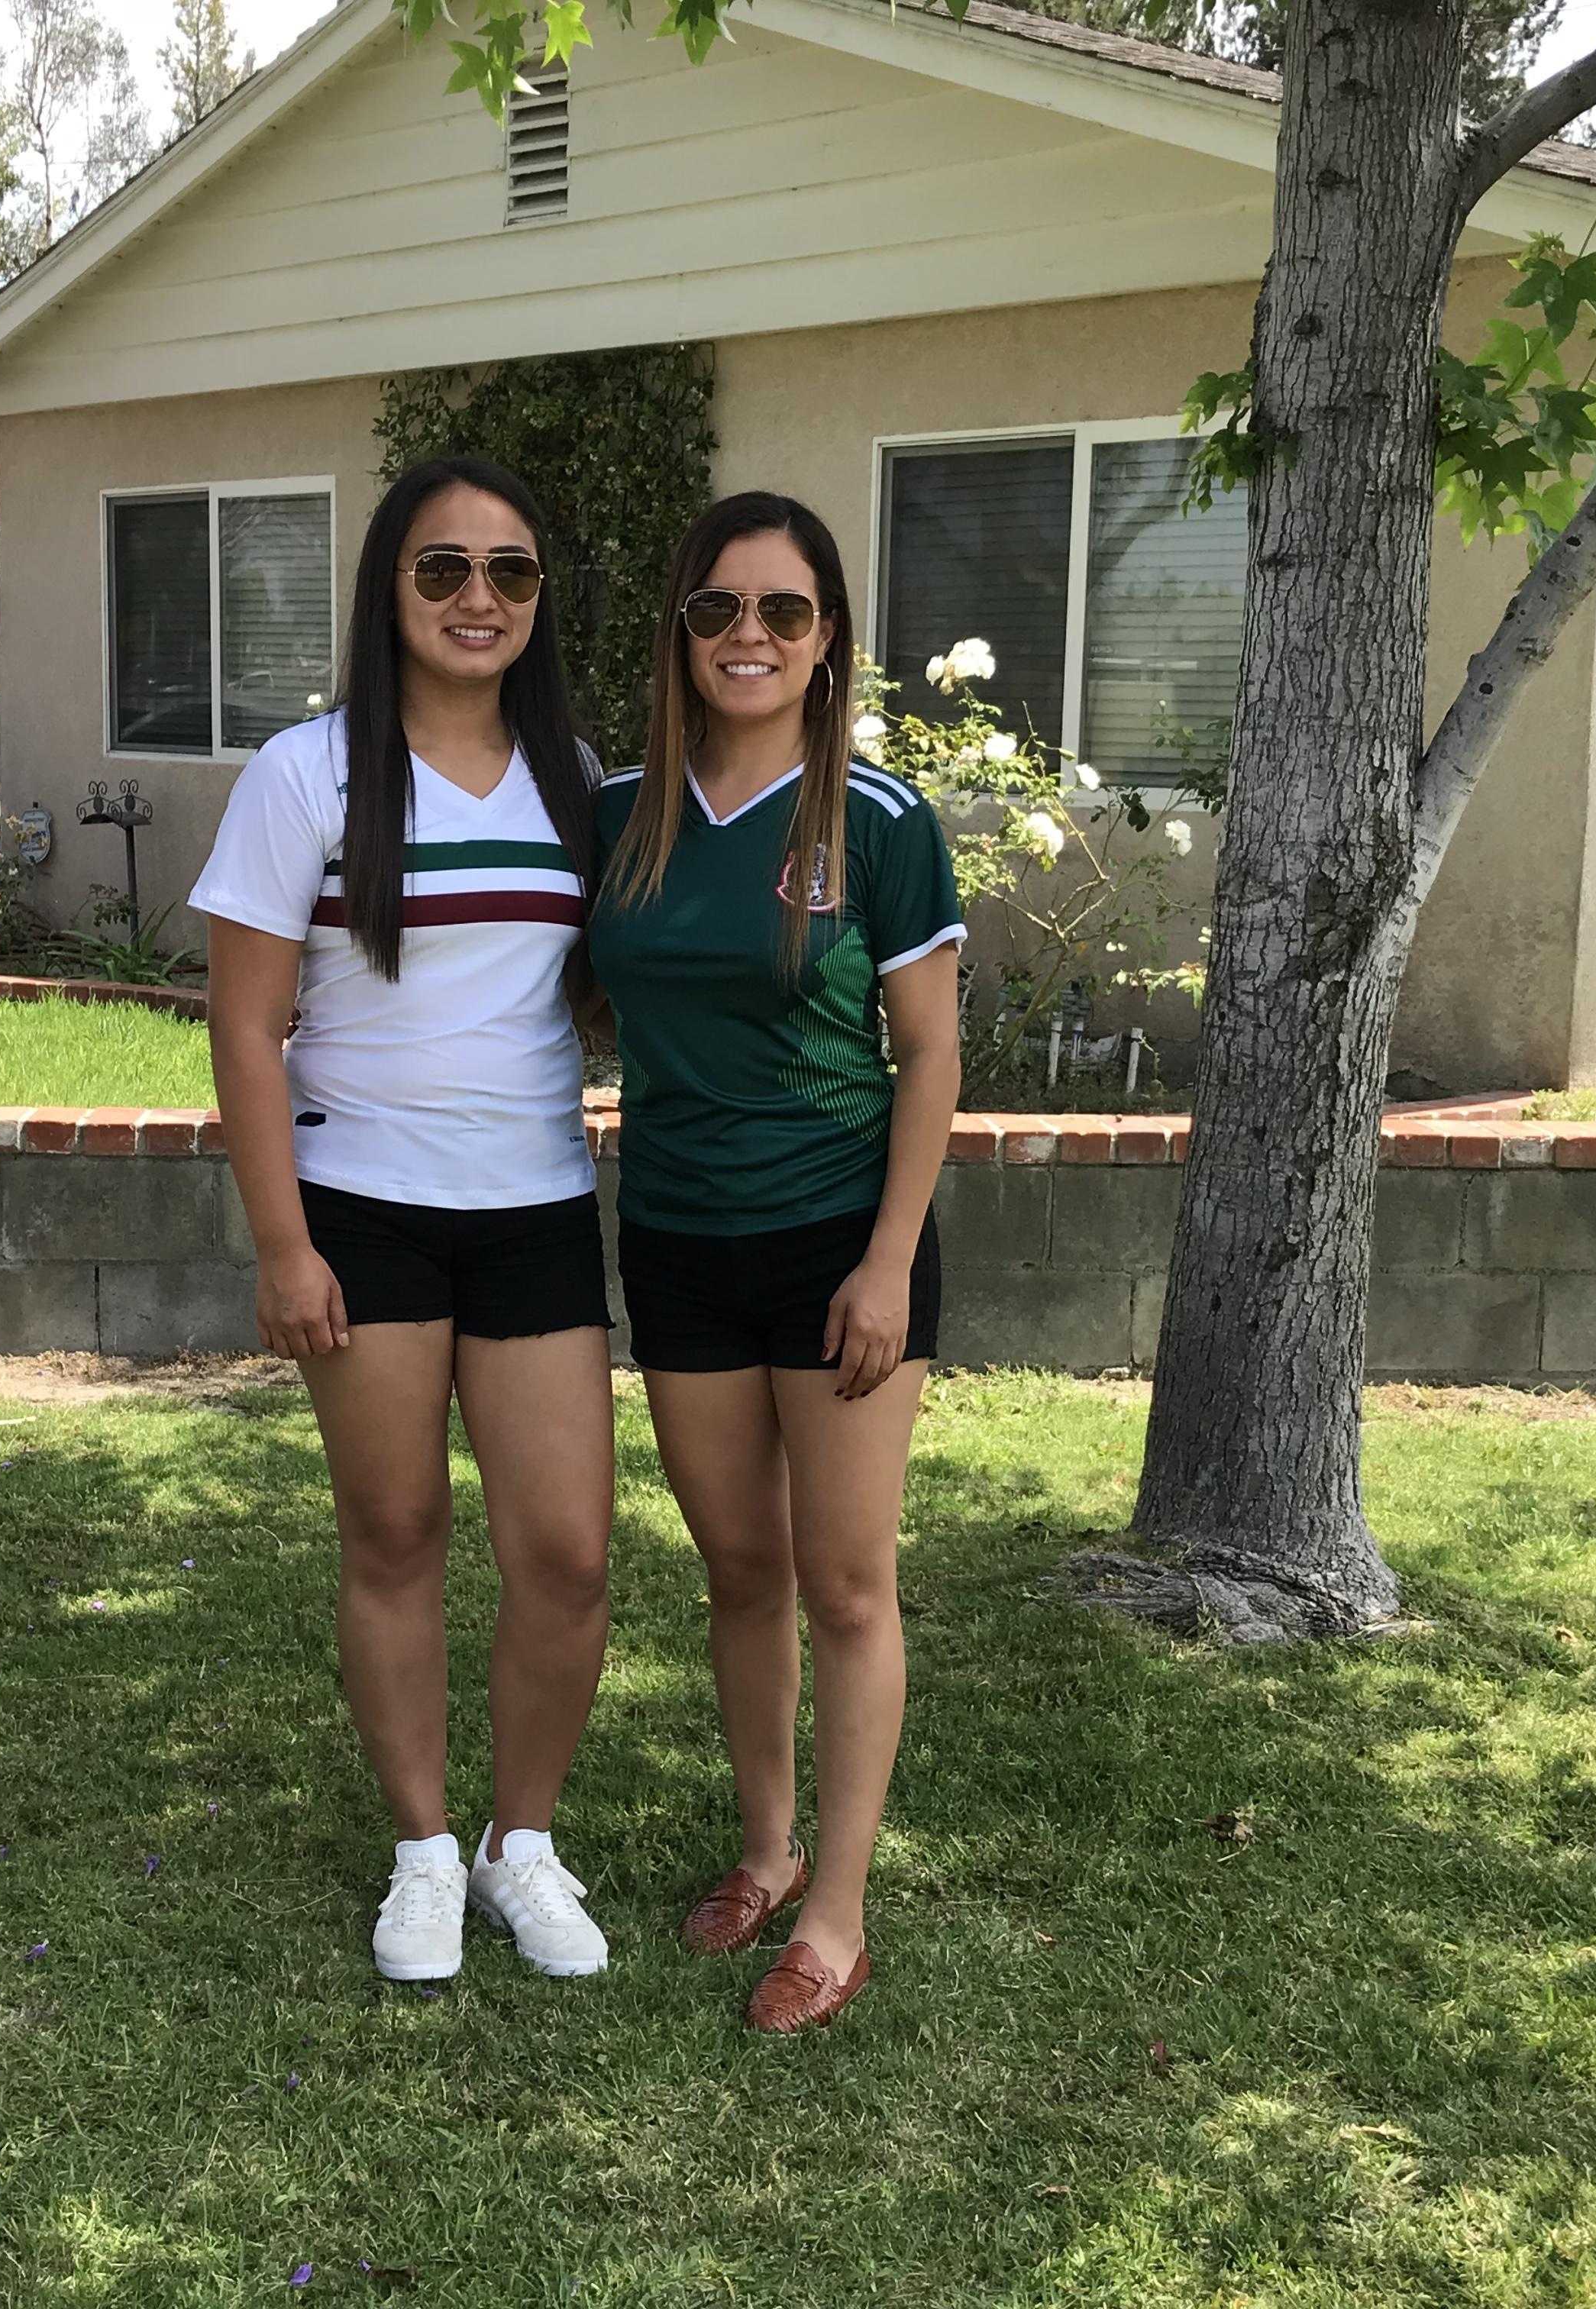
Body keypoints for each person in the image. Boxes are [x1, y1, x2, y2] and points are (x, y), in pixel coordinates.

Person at [196, 457, 615, 1984]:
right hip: (359, 1213)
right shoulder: (309, 776)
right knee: (396, 1534)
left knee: (566, 1554)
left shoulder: (578, 776)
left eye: (509, 572)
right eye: (442, 571)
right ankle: (426, 1855)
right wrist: (282, 1243)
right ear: (389, 593)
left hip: (536, 1215)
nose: (478, 599)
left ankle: (525, 1847)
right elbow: (244, 1030)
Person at [590, 492, 964, 2033]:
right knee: (739, 1568)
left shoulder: (874, 821)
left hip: (836, 1242)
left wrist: (886, 1265)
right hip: (674, 1237)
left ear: (826, 643)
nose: (749, 636)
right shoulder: (615, 808)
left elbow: (933, 1057)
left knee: (846, 1581)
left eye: (784, 613)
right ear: (681, 632)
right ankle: (763, 1848)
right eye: (719, 609)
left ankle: (837, 1910)